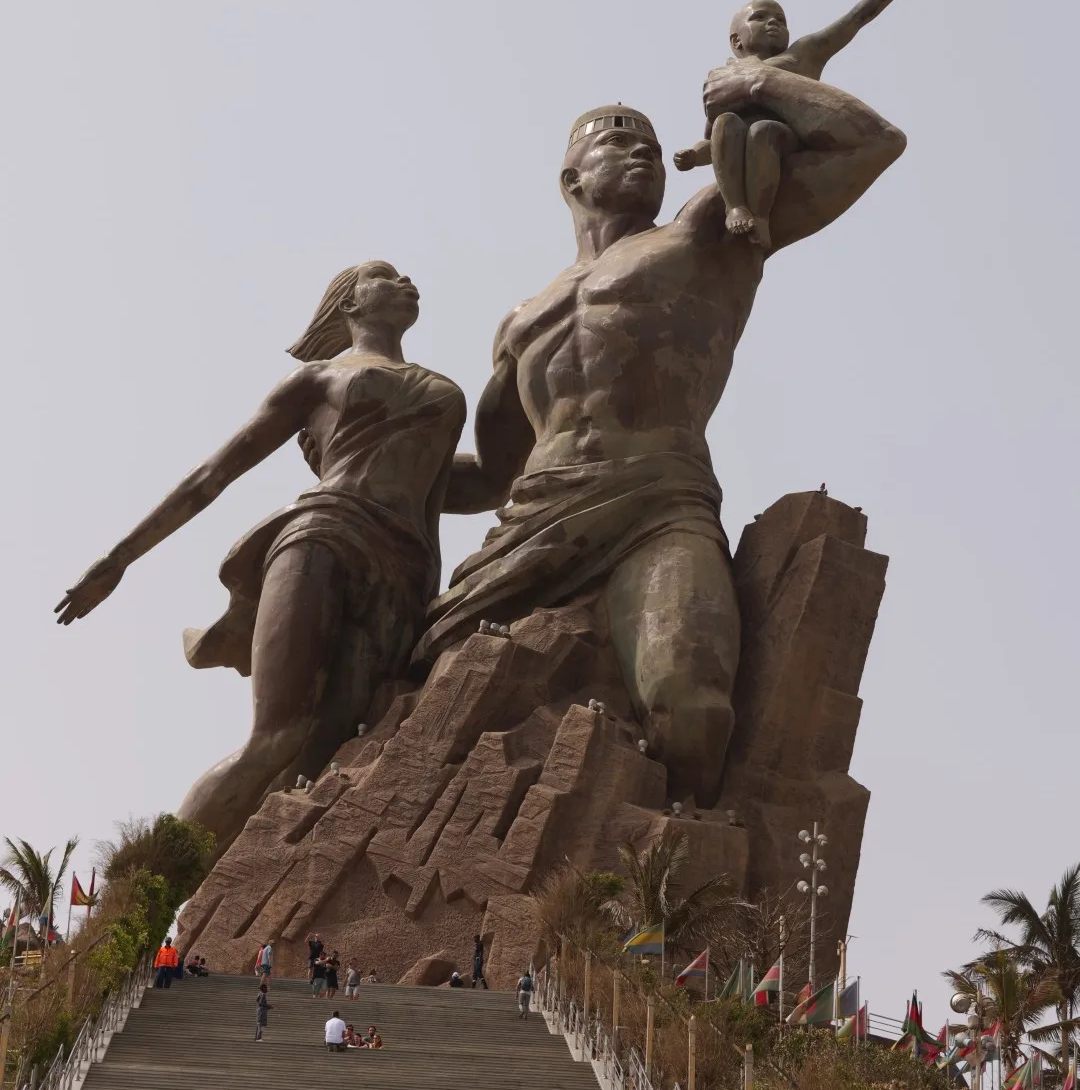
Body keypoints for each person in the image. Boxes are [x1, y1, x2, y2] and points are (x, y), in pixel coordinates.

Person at [415, 79, 908, 805]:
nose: (643, 152)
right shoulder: (521, 320)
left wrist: (761, 83)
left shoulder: (704, 232)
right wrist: (376, 475)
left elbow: (873, 144)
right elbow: (490, 474)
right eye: (619, 142)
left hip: (659, 504)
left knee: (694, 708)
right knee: (429, 704)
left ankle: (663, 867)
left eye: (651, 144)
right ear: (571, 180)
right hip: (531, 524)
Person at [55, 264, 467, 858]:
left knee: (329, 749)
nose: (405, 280)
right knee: (277, 738)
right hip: (326, 535)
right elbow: (212, 474)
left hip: (404, 573)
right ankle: (139, 889)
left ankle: (248, 893)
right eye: (385, 275)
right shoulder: (318, 379)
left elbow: (450, 490)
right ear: (349, 305)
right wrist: (119, 558)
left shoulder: (445, 390)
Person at [673, 0, 926, 248]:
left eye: (781, 19)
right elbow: (713, 140)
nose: (773, 22)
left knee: (763, 130)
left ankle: (761, 217)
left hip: (781, 140)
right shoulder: (721, 78)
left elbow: (850, 23)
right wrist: (693, 156)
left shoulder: (800, 55)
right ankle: (736, 207)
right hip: (738, 152)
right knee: (726, 123)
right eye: (759, 17)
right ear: (736, 40)